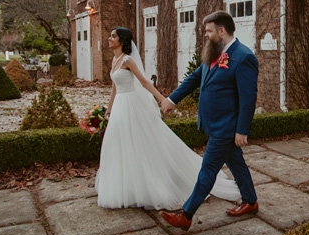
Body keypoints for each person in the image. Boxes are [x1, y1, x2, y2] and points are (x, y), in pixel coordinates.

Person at [95, 27, 240, 210]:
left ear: (122, 41)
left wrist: (163, 99)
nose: (109, 38)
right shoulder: (115, 60)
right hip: (119, 108)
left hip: (131, 107)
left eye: (113, 36)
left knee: (140, 145)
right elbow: (115, 87)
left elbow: (144, 82)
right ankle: (127, 187)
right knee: (119, 144)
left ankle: (155, 185)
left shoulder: (127, 60)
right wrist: (108, 109)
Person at [159, 11, 259, 231]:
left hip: (226, 127)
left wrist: (242, 130)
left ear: (221, 31)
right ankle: (251, 201)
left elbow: (248, 98)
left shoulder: (244, 57)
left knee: (207, 170)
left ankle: (186, 214)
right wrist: (172, 99)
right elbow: (195, 78)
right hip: (214, 124)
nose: (206, 35)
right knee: (236, 163)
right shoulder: (215, 53)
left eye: (209, 31)